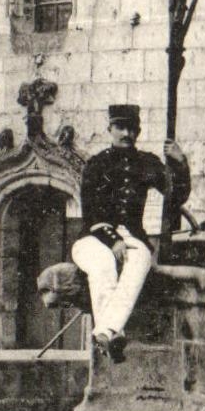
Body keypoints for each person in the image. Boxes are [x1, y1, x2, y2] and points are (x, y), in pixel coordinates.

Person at [71, 104, 190, 361]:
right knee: (103, 264)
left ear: (138, 131)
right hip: (93, 238)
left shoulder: (147, 163)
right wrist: (112, 241)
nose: (126, 133)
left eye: (131, 129)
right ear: (110, 129)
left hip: (133, 237)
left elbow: (175, 196)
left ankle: (106, 333)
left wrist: (180, 164)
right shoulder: (95, 164)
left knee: (140, 261)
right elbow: (90, 213)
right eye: (120, 127)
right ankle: (112, 332)